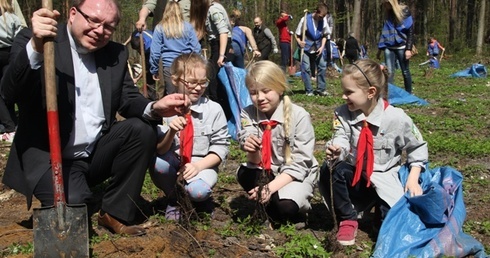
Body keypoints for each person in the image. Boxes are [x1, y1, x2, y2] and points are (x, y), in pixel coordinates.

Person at [1, 0, 190, 236]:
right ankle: (72, 194)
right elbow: (9, 91)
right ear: (72, 14)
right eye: (93, 20)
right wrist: (36, 47)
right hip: (49, 158)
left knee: (141, 130)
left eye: (109, 27)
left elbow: (128, 98)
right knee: (77, 201)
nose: (100, 31)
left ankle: (114, 212)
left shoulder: (115, 54)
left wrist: (155, 106)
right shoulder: (39, 39)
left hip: (92, 154)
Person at [318, 59, 428, 246]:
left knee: (389, 230)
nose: (344, 97)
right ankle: (348, 218)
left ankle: (381, 209)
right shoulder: (342, 113)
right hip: (357, 177)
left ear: (370, 92)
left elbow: (417, 147)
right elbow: (341, 135)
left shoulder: (397, 118)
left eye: (349, 92)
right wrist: (338, 149)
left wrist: (413, 177)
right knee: (332, 168)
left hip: (385, 178)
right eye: (343, 92)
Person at [237, 60, 318, 226]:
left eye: (266, 91)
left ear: (280, 88)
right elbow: (254, 161)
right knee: (245, 173)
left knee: (286, 207)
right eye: (253, 92)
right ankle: (268, 209)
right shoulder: (248, 113)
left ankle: (292, 211)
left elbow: (300, 162)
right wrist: (251, 147)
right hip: (268, 170)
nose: (260, 98)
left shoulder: (299, 116)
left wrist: (270, 188)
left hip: (295, 174)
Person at [151, 53, 230, 220]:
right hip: (174, 162)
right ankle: (174, 199)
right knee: (158, 164)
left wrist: (198, 166)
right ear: (175, 80)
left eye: (203, 82)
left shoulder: (214, 110)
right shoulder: (165, 109)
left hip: (202, 165)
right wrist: (171, 131)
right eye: (192, 82)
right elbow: (160, 149)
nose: (198, 88)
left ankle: (200, 201)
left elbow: (221, 147)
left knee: (198, 192)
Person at [149, 1, 201, 97]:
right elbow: (196, 49)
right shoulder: (187, 27)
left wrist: (154, 69)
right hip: (186, 65)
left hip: (169, 66)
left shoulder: (160, 28)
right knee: (187, 94)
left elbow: (155, 52)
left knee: (173, 96)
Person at [376, 0, 414, 94]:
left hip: (402, 46)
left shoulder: (404, 12)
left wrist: (408, 49)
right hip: (388, 47)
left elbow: (410, 31)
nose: (385, 6)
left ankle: (408, 93)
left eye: (386, 4)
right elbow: (384, 32)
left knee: (405, 71)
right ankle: (389, 94)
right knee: (389, 72)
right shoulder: (387, 14)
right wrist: (380, 49)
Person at [205, 0, 234, 118]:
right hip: (216, 46)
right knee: (215, 81)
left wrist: (221, 55)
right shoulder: (211, 9)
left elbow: (223, 32)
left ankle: (223, 115)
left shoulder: (214, 9)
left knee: (214, 83)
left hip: (220, 47)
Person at [295, 2, 331, 96]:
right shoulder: (305, 19)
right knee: (306, 68)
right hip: (306, 47)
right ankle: (309, 90)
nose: (321, 18)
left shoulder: (323, 21)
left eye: (323, 17)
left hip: (318, 47)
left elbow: (325, 35)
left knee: (322, 66)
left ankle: (321, 89)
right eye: (320, 16)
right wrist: (300, 42)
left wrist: (322, 47)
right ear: (316, 12)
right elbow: (297, 35)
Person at [0, 0, 23, 142]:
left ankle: (8, 127)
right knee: (6, 88)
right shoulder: (12, 17)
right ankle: (12, 124)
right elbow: (20, 34)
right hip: (9, 53)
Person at [129, 29, 158, 100]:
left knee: (150, 73)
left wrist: (136, 79)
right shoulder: (136, 34)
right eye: (137, 50)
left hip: (156, 51)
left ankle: (151, 98)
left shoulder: (152, 46)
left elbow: (146, 68)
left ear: (143, 43)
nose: (139, 52)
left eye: (139, 50)